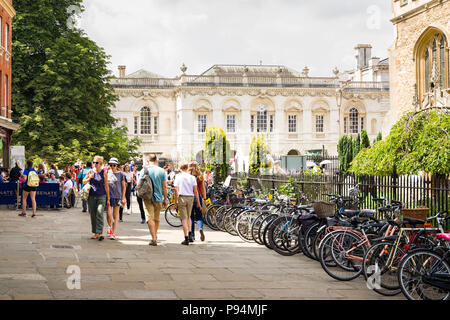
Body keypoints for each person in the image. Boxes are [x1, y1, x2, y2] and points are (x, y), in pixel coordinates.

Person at [137, 154, 167, 246]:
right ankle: (155, 235)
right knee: (156, 218)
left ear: (147, 160)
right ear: (156, 161)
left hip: (147, 197)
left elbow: (138, 184)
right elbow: (164, 186)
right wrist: (165, 199)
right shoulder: (162, 171)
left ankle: (153, 238)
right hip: (158, 198)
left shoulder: (144, 170)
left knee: (149, 218)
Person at [173, 161, 201, 245]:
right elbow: (196, 191)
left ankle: (186, 238)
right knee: (189, 217)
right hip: (190, 198)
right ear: (187, 168)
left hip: (182, 197)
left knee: (184, 219)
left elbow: (176, 191)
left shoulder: (178, 177)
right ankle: (190, 234)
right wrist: (198, 202)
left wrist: (175, 203)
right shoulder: (192, 177)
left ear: (180, 168)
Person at [83, 155, 110, 241]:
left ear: (101, 164)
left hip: (101, 195)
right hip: (91, 195)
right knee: (93, 214)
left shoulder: (104, 173)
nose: (94, 164)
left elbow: (106, 185)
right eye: (93, 162)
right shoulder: (90, 171)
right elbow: (83, 181)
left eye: (96, 163)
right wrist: (89, 178)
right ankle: (95, 232)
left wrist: (108, 198)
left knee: (99, 212)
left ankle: (99, 232)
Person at [105, 158, 126, 240]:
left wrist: (123, 198)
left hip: (117, 196)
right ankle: (109, 227)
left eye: (114, 165)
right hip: (109, 197)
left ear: (117, 165)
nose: (112, 166)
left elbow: (124, 187)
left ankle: (112, 232)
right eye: (111, 165)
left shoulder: (121, 174)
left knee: (115, 216)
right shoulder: (107, 173)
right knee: (108, 214)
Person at [188, 161, 207, 242]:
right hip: (198, 197)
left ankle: (192, 235)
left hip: (190, 197)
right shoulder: (200, 176)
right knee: (199, 216)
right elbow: (203, 189)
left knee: (191, 217)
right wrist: (205, 199)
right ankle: (200, 228)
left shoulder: (188, 176)